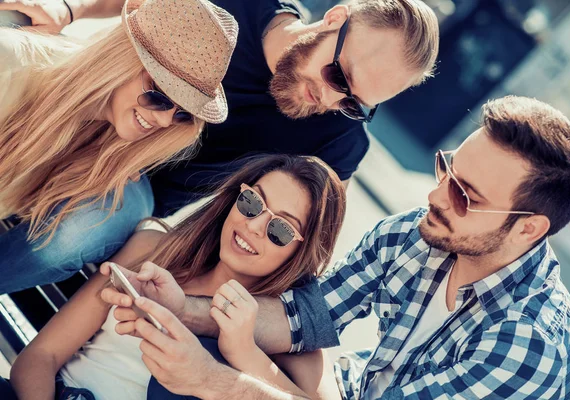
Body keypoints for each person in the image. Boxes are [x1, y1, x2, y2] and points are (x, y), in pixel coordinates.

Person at [103, 96, 570, 399]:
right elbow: (303, 319)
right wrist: (179, 308)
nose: (434, 195)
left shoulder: (528, 345)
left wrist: (213, 381)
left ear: (528, 230)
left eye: (465, 196)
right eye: (447, 169)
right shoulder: (416, 235)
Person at [1, 0, 440, 285]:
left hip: (134, 189)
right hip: (91, 107)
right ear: (335, 19)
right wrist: (67, 9)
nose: (329, 99)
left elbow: (298, 251)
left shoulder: (340, 144)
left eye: (353, 103)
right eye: (338, 76)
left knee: (75, 232)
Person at [1, 154, 346, 400]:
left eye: (281, 229)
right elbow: (41, 356)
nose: (253, 226)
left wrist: (243, 351)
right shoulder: (155, 249)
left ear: (301, 253)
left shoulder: (292, 341)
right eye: (253, 203)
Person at [0, 0, 237, 293]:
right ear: (123, 57)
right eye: (159, 96)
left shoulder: (106, 147)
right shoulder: (8, 66)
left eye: (181, 113)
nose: (165, 121)